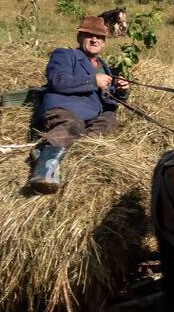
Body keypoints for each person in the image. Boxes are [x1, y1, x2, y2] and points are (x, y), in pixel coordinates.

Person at [28, 16, 131, 193]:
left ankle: (80, 158)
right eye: (89, 35)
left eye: (99, 37)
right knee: (72, 125)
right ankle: (44, 161)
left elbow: (108, 96)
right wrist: (92, 80)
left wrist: (121, 90)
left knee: (109, 120)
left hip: (93, 116)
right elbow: (58, 80)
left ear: (104, 43)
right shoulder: (65, 55)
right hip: (66, 109)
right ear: (79, 38)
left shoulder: (104, 67)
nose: (94, 40)